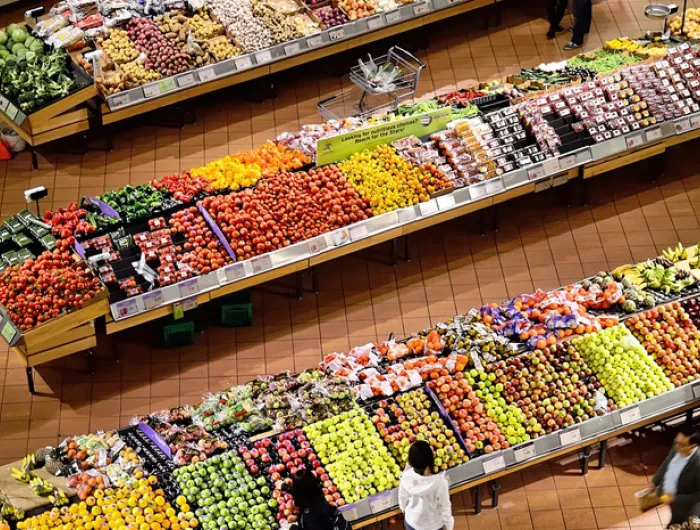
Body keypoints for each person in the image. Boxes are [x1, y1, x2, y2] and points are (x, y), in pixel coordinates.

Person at [398, 441, 454, 530]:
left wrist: (404, 510)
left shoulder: (406, 475)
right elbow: (445, 506)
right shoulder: (440, 482)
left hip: (412, 522)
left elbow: (402, 497)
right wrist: (449, 526)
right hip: (433, 525)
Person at [652, 426, 700, 527]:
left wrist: (675, 499)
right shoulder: (677, 448)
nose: (677, 446)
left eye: (682, 445)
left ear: (693, 446)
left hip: (685, 509)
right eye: (676, 441)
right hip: (669, 502)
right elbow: (667, 462)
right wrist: (654, 481)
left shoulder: (698, 464)